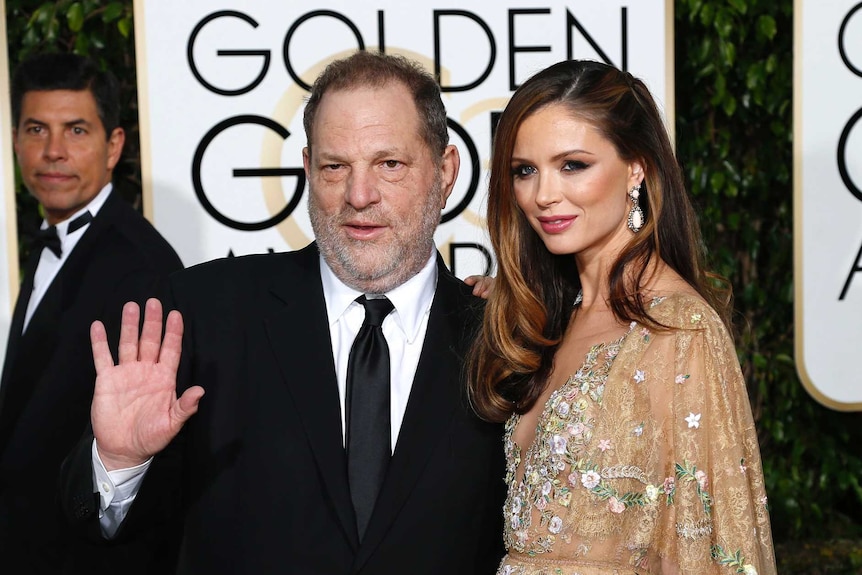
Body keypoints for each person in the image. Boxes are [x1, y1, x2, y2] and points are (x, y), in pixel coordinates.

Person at [59, 50, 505, 574]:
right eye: (335, 166)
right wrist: (120, 463)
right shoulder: (203, 313)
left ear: (445, 171)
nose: (359, 196)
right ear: (307, 170)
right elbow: (112, 537)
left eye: (389, 165)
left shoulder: (503, 336)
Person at [468, 60, 777, 575]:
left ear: (636, 167)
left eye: (573, 165)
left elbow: (709, 552)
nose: (543, 195)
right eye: (525, 170)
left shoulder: (679, 331)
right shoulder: (550, 319)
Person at [0, 53, 183, 573]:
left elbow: (146, 466)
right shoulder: (51, 243)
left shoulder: (143, 267)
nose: (53, 151)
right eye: (37, 129)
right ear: (16, 140)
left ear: (113, 146)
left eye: (76, 130)